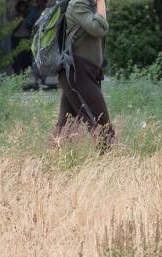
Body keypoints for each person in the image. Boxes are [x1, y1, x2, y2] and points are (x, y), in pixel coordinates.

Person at [56, 0, 114, 150]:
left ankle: (53, 164)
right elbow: (99, 28)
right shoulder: (78, 4)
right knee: (102, 123)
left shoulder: (89, 5)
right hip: (77, 72)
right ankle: (110, 164)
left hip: (82, 73)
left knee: (65, 126)